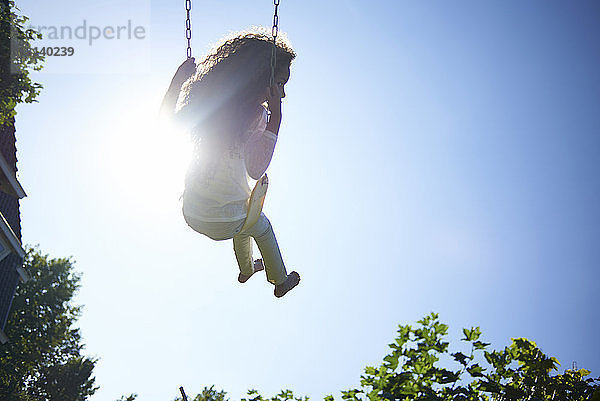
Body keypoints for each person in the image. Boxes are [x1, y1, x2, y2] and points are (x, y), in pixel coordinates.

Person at [161, 31, 300, 298]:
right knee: (259, 224)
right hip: (225, 221)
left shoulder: (210, 104)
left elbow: (166, 124)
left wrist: (178, 81)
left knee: (242, 214)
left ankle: (246, 270)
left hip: (192, 212)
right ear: (261, 78)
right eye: (280, 83)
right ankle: (280, 280)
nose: (282, 93)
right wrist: (276, 118)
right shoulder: (258, 115)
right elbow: (256, 169)